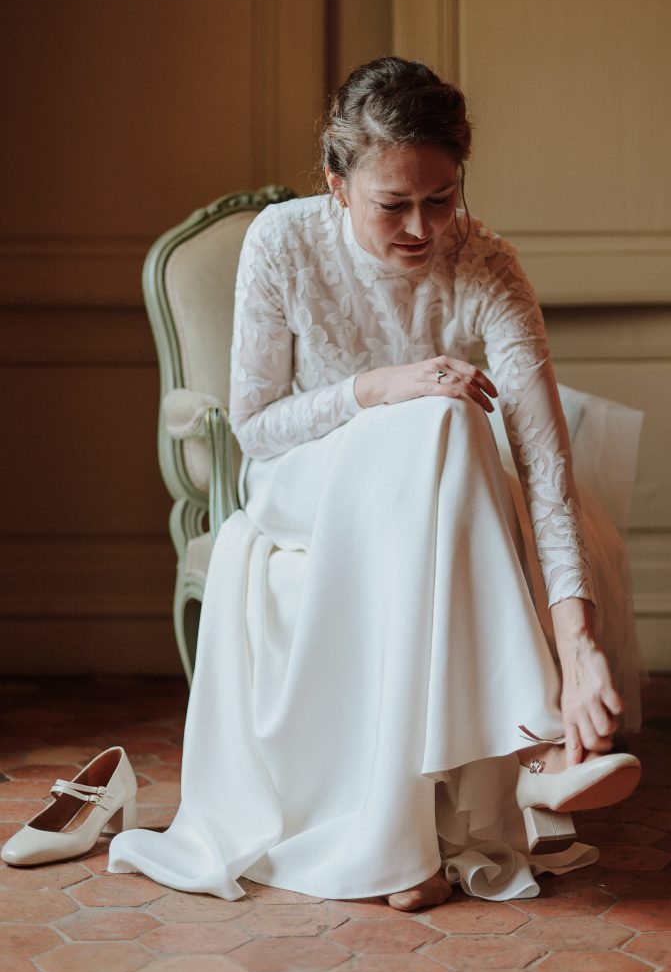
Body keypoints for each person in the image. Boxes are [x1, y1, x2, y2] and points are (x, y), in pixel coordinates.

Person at [107, 56, 643, 909]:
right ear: (336, 183)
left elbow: (543, 463)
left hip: (431, 486)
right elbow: (254, 430)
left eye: (442, 198)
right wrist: (379, 389)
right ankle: (534, 752)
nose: (423, 229)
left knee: (457, 421)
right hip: (301, 480)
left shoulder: (487, 264)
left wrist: (578, 641)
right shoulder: (280, 241)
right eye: (393, 204)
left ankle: (412, 840)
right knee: (438, 416)